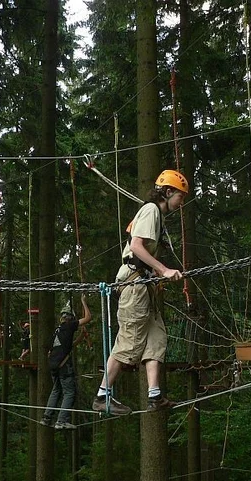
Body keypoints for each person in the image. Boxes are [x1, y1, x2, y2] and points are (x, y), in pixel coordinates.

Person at [92, 169, 188, 415]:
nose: (182, 203)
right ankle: (103, 396)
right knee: (130, 341)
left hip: (144, 285)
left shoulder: (158, 215)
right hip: (134, 286)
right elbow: (136, 246)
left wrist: (157, 273)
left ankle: (154, 395)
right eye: (180, 196)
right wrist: (164, 269)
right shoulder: (151, 210)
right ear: (167, 192)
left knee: (156, 338)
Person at [40, 294, 91, 430]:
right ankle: (61, 420)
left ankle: (47, 417)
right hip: (63, 366)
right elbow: (87, 318)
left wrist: (80, 336)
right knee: (69, 392)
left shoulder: (57, 331)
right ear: (70, 318)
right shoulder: (69, 326)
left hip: (53, 365)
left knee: (56, 390)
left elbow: (68, 345)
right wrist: (83, 302)